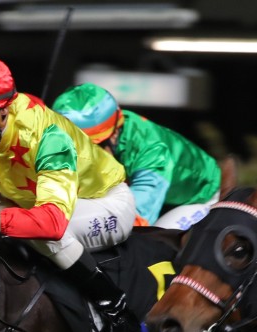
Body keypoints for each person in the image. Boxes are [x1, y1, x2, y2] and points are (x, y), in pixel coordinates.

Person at [0, 55, 138, 332]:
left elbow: (51, 224)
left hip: (105, 204)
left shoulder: (47, 137)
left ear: (3, 111)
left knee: (38, 234)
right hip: (43, 208)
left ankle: (116, 310)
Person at [52, 83, 221, 230]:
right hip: (138, 190)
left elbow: (137, 218)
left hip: (196, 198)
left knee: (151, 244)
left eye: (93, 147)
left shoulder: (152, 150)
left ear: (114, 133)